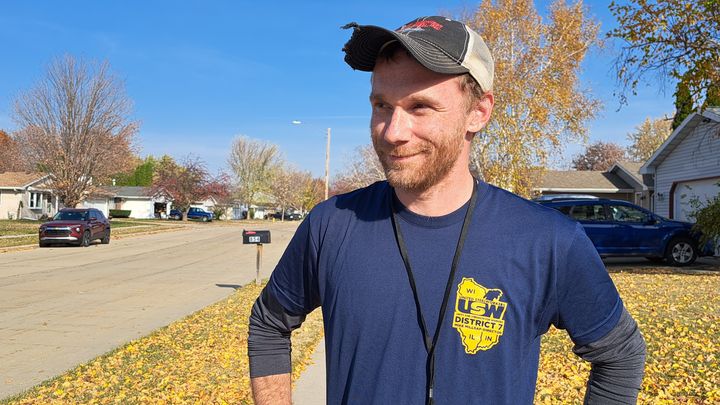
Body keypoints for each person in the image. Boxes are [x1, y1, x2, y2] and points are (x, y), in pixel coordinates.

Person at [248, 16, 646, 405]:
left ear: (478, 112)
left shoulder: (548, 241)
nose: (393, 132)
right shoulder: (330, 225)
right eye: (382, 105)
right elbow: (268, 324)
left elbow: (620, 355)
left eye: (420, 107)